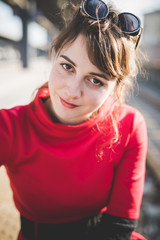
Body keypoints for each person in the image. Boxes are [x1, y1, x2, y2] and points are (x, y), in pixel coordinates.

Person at [0, 0, 148, 239]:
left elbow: (119, 226)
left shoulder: (129, 125)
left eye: (96, 80)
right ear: (54, 54)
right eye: (67, 66)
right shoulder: (10, 127)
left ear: (116, 89)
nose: (72, 91)